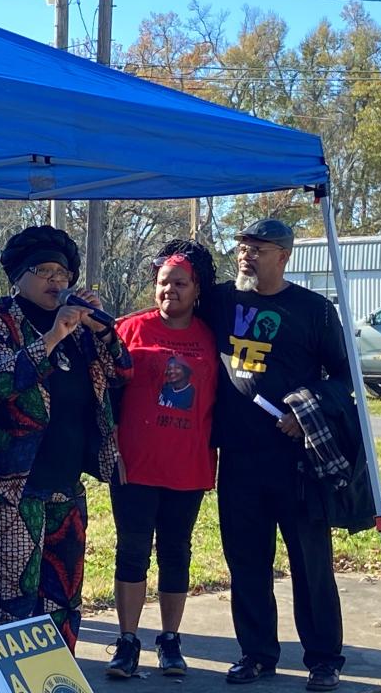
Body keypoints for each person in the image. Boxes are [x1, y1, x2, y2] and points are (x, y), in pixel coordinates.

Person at [0, 225, 132, 652]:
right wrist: (53, 336)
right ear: (18, 276)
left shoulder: (81, 331)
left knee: (63, 601)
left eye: (63, 273)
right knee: (11, 604)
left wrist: (101, 330)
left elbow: (123, 373)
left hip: (65, 489)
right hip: (12, 489)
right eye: (43, 270)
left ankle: (57, 678)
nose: (56, 281)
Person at [204, 219, 351, 692]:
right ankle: (257, 654)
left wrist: (304, 412)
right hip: (239, 458)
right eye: (242, 248)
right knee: (245, 561)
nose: (246, 256)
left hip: (295, 459)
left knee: (310, 563)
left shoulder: (314, 310)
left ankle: (324, 659)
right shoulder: (223, 300)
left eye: (258, 249)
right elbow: (174, 296)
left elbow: (346, 380)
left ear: (284, 255)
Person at [106, 240, 218, 678]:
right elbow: (104, 390)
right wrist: (110, 445)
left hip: (188, 467)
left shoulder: (211, 338)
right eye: (162, 282)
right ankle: (127, 641)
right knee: (131, 552)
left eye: (179, 283)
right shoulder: (129, 329)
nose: (169, 290)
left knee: (176, 553)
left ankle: (170, 640)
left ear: (196, 290)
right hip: (135, 465)